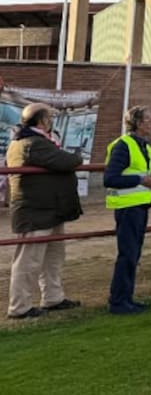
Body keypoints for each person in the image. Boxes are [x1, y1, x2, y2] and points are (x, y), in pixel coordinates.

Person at [5, 103, 84, 320]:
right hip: (35, 210)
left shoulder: (36, 141)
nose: (52, 121)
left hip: (50, 209)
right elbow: (66, 161)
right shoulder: (32, 143)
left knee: (53, 257)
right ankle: (20, 306)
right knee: (29, 260)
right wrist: (77, 156)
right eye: (49, 117)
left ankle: (53, 297)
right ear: (41, 121)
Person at [104, 106, 151, 314]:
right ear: (137, 122)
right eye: (148, 119)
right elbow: (110, 178)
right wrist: (140, 180)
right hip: (127, 207)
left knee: (133, 254)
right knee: (128, 254)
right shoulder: (123, 145)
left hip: (140, 205)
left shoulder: (146, 147)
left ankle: (126, 297)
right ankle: (118, 301)